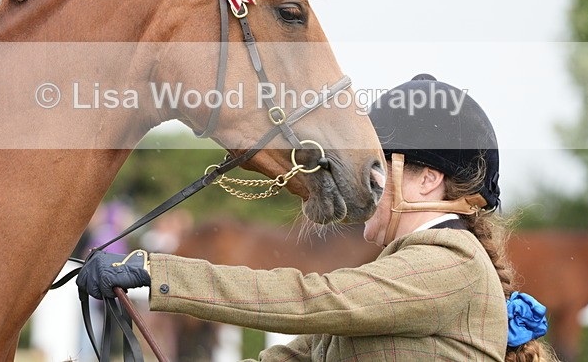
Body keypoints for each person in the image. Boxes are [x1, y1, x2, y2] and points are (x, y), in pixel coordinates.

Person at [78, 74, 555, 361]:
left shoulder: (453, 260)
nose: (364, 183)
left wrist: (157, 272)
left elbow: (313, 298)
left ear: (428, 179)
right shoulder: (402, 270)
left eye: (378, 165)